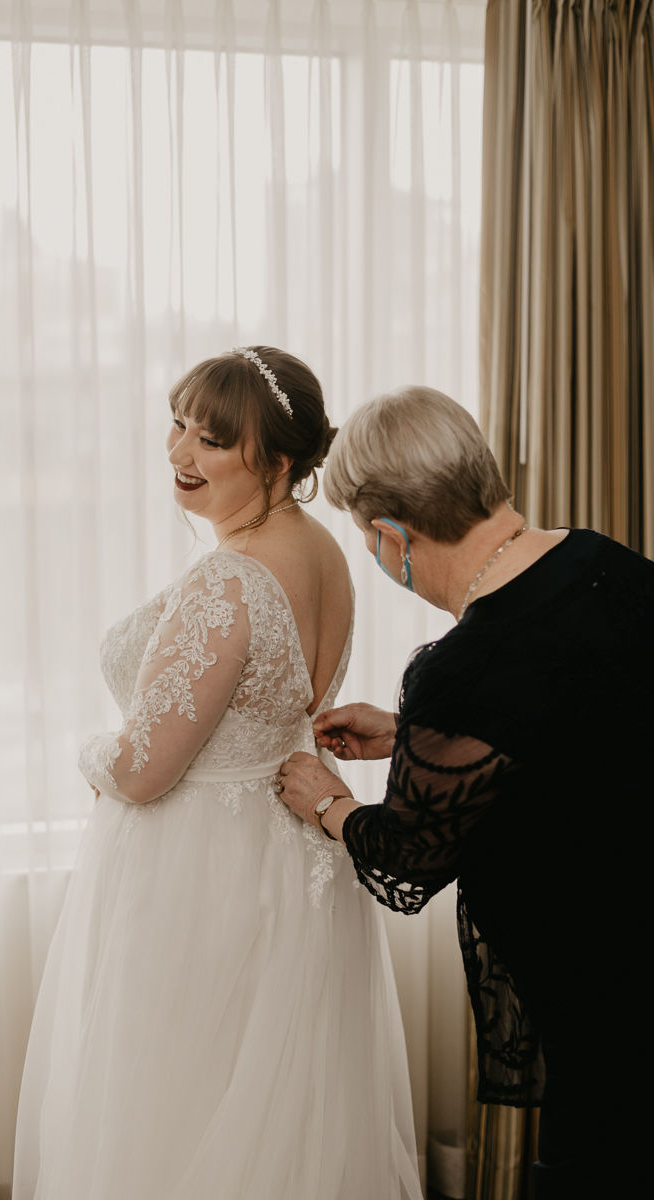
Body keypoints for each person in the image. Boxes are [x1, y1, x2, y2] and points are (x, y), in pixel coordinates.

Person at [12, 348, 422, 1200]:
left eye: (213, 440)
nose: (180, 453)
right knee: (275, 1111)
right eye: (179, 424)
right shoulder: (327, 557)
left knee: (174, 1105)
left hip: (200, 874)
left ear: (277, 462)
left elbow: (142, 769)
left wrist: (87, 753)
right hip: (293, 860)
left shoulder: (231, 581)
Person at [277, 385, 652, 1199]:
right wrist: (412, 732)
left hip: (610, 989)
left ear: (390, 535)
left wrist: (327, 802)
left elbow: (409, 862)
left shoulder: (465, 668)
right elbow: (576, 725)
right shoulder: (603, 563)